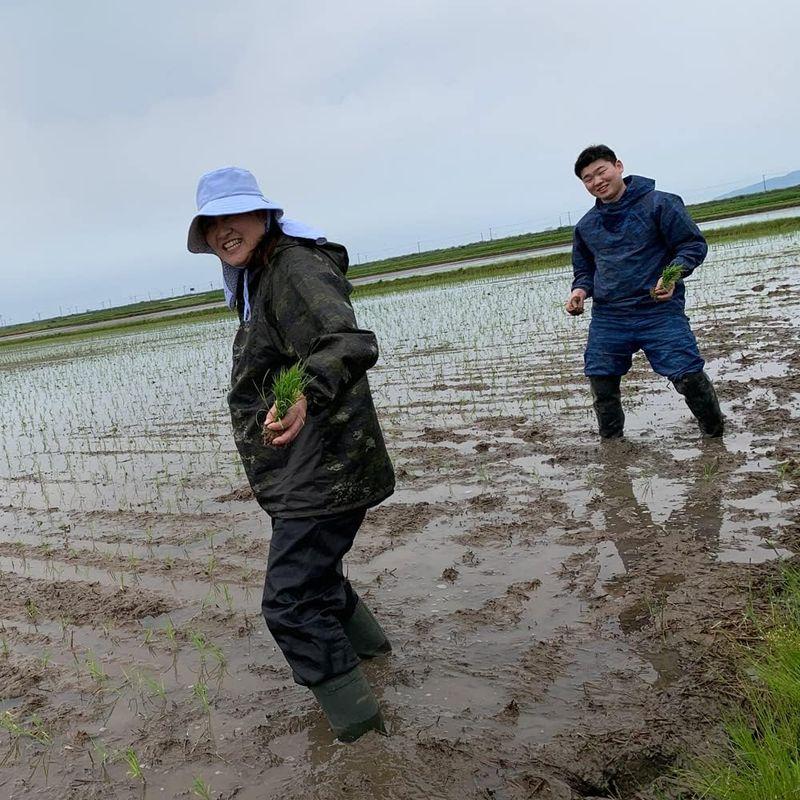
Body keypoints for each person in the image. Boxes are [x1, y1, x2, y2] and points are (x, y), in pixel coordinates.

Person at [187, 166, 395, 741]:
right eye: (212, 224)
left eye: (235, 216)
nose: (225, 230)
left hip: (323, 462)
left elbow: (349, 341)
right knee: (316, 578)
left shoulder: (293, 265)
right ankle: (378, 663)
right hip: (306, 462)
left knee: (290, 602)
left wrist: (306, 392)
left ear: (264, 215)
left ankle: (364, 735)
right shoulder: (258, 275)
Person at [565, 145, 724, 439]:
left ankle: (714, 436)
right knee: (601, 380)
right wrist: (579, 292)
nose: (597, 181)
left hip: (658, 310)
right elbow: (585, 271)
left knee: (687, 374)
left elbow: (692, 245)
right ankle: (612, 446)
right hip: (610, 316)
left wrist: (671, 275)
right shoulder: (586, 226)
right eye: (588, 179)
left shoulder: (660, 204)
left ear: (618, 166)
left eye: (601, 171)